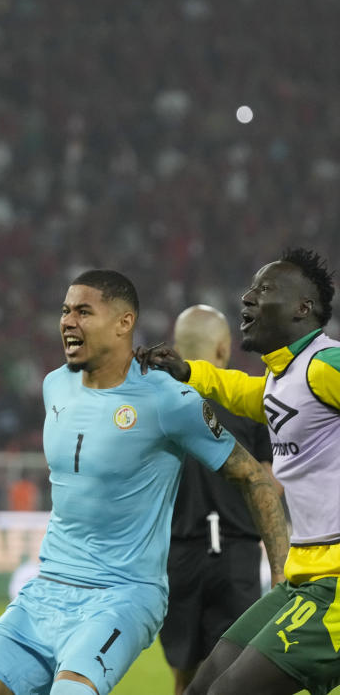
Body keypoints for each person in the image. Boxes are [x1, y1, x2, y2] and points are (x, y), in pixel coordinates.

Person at [0, 270, 288, 695]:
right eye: (65, 311)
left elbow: (254, 479)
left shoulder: (168, 399)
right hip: (46, 590)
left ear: (123, 323)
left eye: (83, 311)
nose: (68, 321)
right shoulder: (54, 386)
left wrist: (282, 579)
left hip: (122, 595)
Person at [138, 248, 340, 695]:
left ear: (302, 308)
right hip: (305, 578)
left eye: (264, 289)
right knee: (201, 686)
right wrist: (189, 371)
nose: (247, 298)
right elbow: (245, 392)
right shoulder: (283, 378)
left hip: (335, 587)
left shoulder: (326, 364)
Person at [158, 305, 275, 695]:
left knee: (184, 674)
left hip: (177, 556)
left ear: (177, 346)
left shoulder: (159, 402)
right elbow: (269, 484)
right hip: (236, 556)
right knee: (236, 676)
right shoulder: (247, 403)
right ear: (223, 350)